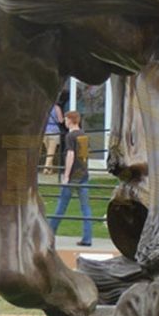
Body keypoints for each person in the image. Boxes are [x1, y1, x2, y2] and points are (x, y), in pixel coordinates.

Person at [48, 110, 92, 246]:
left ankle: (49, 234)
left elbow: (70, 155)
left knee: (61, 205)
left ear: (71, 120)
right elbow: (84, 156)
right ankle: (87, 238)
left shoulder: (70, 136)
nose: (65, 122)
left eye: (66, 120)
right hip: (83, 174)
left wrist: (66, 175)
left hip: (73, 175)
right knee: (85, 207)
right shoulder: (84, 135)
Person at [41, 103, 63, 175]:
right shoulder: (57, 108)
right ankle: (46, 168)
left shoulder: (44, 107)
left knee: (49, 151)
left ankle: (51, 169)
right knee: (51, 152)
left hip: (45, 130)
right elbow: (60, 120)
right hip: (54, 130)